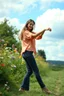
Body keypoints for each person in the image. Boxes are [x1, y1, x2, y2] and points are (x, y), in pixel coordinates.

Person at [19, 19, 52, 94]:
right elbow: (34, 36)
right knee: (36, 71)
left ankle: (22, 87)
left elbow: (39, 36)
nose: (31, 25)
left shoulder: (31, 32)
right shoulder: (25, 32)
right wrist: (44, 29)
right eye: (30, 24)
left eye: (32, 25)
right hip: (27, 53)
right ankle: (44, 88)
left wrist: (44, 31)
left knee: (30, 71)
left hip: (27, 54)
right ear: (27, 24)